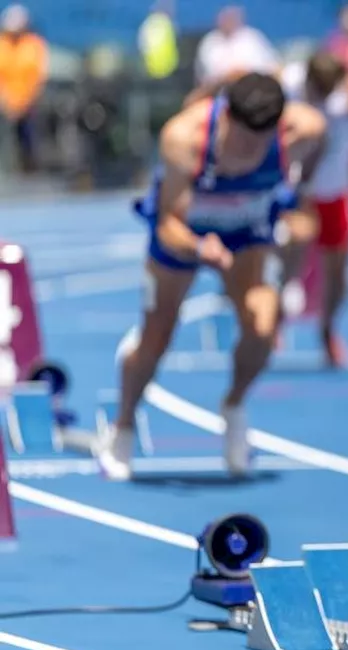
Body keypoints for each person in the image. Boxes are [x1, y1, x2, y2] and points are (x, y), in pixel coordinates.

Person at [95, 73, 327, 481]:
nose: (249, 152)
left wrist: (296, 196)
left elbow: (309, 167)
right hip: (187, 235)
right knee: (157, 337)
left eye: (259, 144)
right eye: (240, 141)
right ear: (224, 118)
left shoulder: (304, 130)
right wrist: (201, 249)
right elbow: (167, 224)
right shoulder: (184, 138)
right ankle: (124, 426)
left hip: (247, 235)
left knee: (263, 325)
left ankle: (234, 405)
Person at [279, 50, 348, 367]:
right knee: (288, 251)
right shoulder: (288, 83)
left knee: (338, 274)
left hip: (335, 191)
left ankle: (327, 332)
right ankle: (276, 315)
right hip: (297, 190)